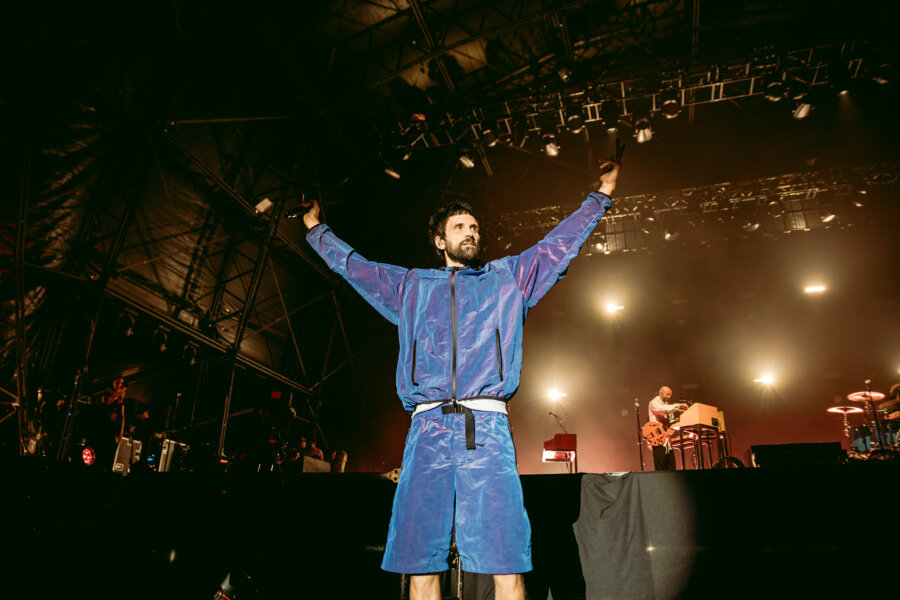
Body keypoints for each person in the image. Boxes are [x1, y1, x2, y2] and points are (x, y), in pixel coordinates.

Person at [303, 154, 621, 600]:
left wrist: (601, 196)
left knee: (506, 561)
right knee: (419, 564)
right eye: (459, 227)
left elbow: (557, 245)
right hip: (427, 430)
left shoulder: (508, 278)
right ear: (439, 240)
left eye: (474, 227)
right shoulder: (411, 286)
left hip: (485, 431)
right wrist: (316, 231)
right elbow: (356, 267)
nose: (471, 232)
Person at [647, 386, 689, 471]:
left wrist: (679, 420)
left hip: (667, 441)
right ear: (661, 393)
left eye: (670, 395)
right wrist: (678, 406)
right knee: (660, 468)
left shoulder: (668, 405)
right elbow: (662, 410)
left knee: (671, 467)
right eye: (667, 394)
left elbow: (670, 421)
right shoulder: (653, 403)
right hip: (658, 440)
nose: (669, 397)